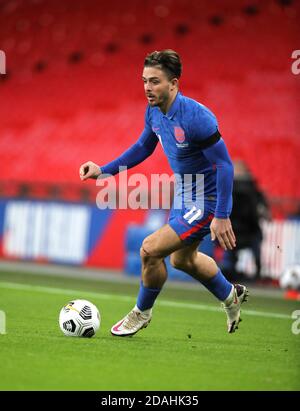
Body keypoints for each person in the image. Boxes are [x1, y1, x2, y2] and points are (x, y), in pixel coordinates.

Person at [79, 50, 249, 336]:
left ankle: (141, 313)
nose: (147, 87)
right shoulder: (153, 111)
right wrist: (104, 170)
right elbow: (144, 147)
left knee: (149, 249)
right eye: (144, 80)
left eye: (155, 81)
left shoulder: (197, 118)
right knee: (182, 259)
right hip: (185, 192)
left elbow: (225, 165)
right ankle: (230, 296)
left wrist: (221, 214)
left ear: (174, 83)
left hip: (206, 198)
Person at [222, 160, 270, 282]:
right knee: (232, 253)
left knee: (251, 250)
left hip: (247, 230)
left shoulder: (252, 189)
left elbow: (262, 207)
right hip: (237, 230)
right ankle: (232, 272)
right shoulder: (233, 188)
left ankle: (255, 273)